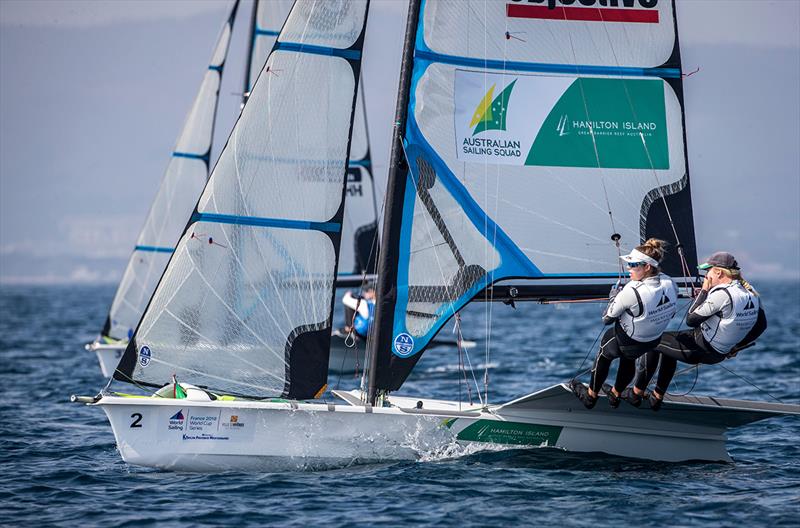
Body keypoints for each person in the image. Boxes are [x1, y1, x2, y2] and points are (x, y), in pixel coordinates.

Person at [625, 252, 767, 410]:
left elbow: (691, 319)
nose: (706, 275)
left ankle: (636, 394)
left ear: (718, 272)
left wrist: (704, 291)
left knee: (651, 340)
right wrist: (735, 346)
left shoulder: (723, 294)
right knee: (669, 345)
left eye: (708, 271)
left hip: (699, 348)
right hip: (718, 354)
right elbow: (761, 326)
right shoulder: (751, 292)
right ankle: (657, 397)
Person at [571, 239, 678, 409]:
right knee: (629, 356)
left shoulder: (631, 290)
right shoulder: (670, 283)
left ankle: (590, 396)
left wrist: (614, 296)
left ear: (647, 267)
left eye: (633, 265)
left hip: (629, 343)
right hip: (652, 342)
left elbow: (607, 318)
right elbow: (671, 313)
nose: (628, 268)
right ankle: (616, 393)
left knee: (606, 350)